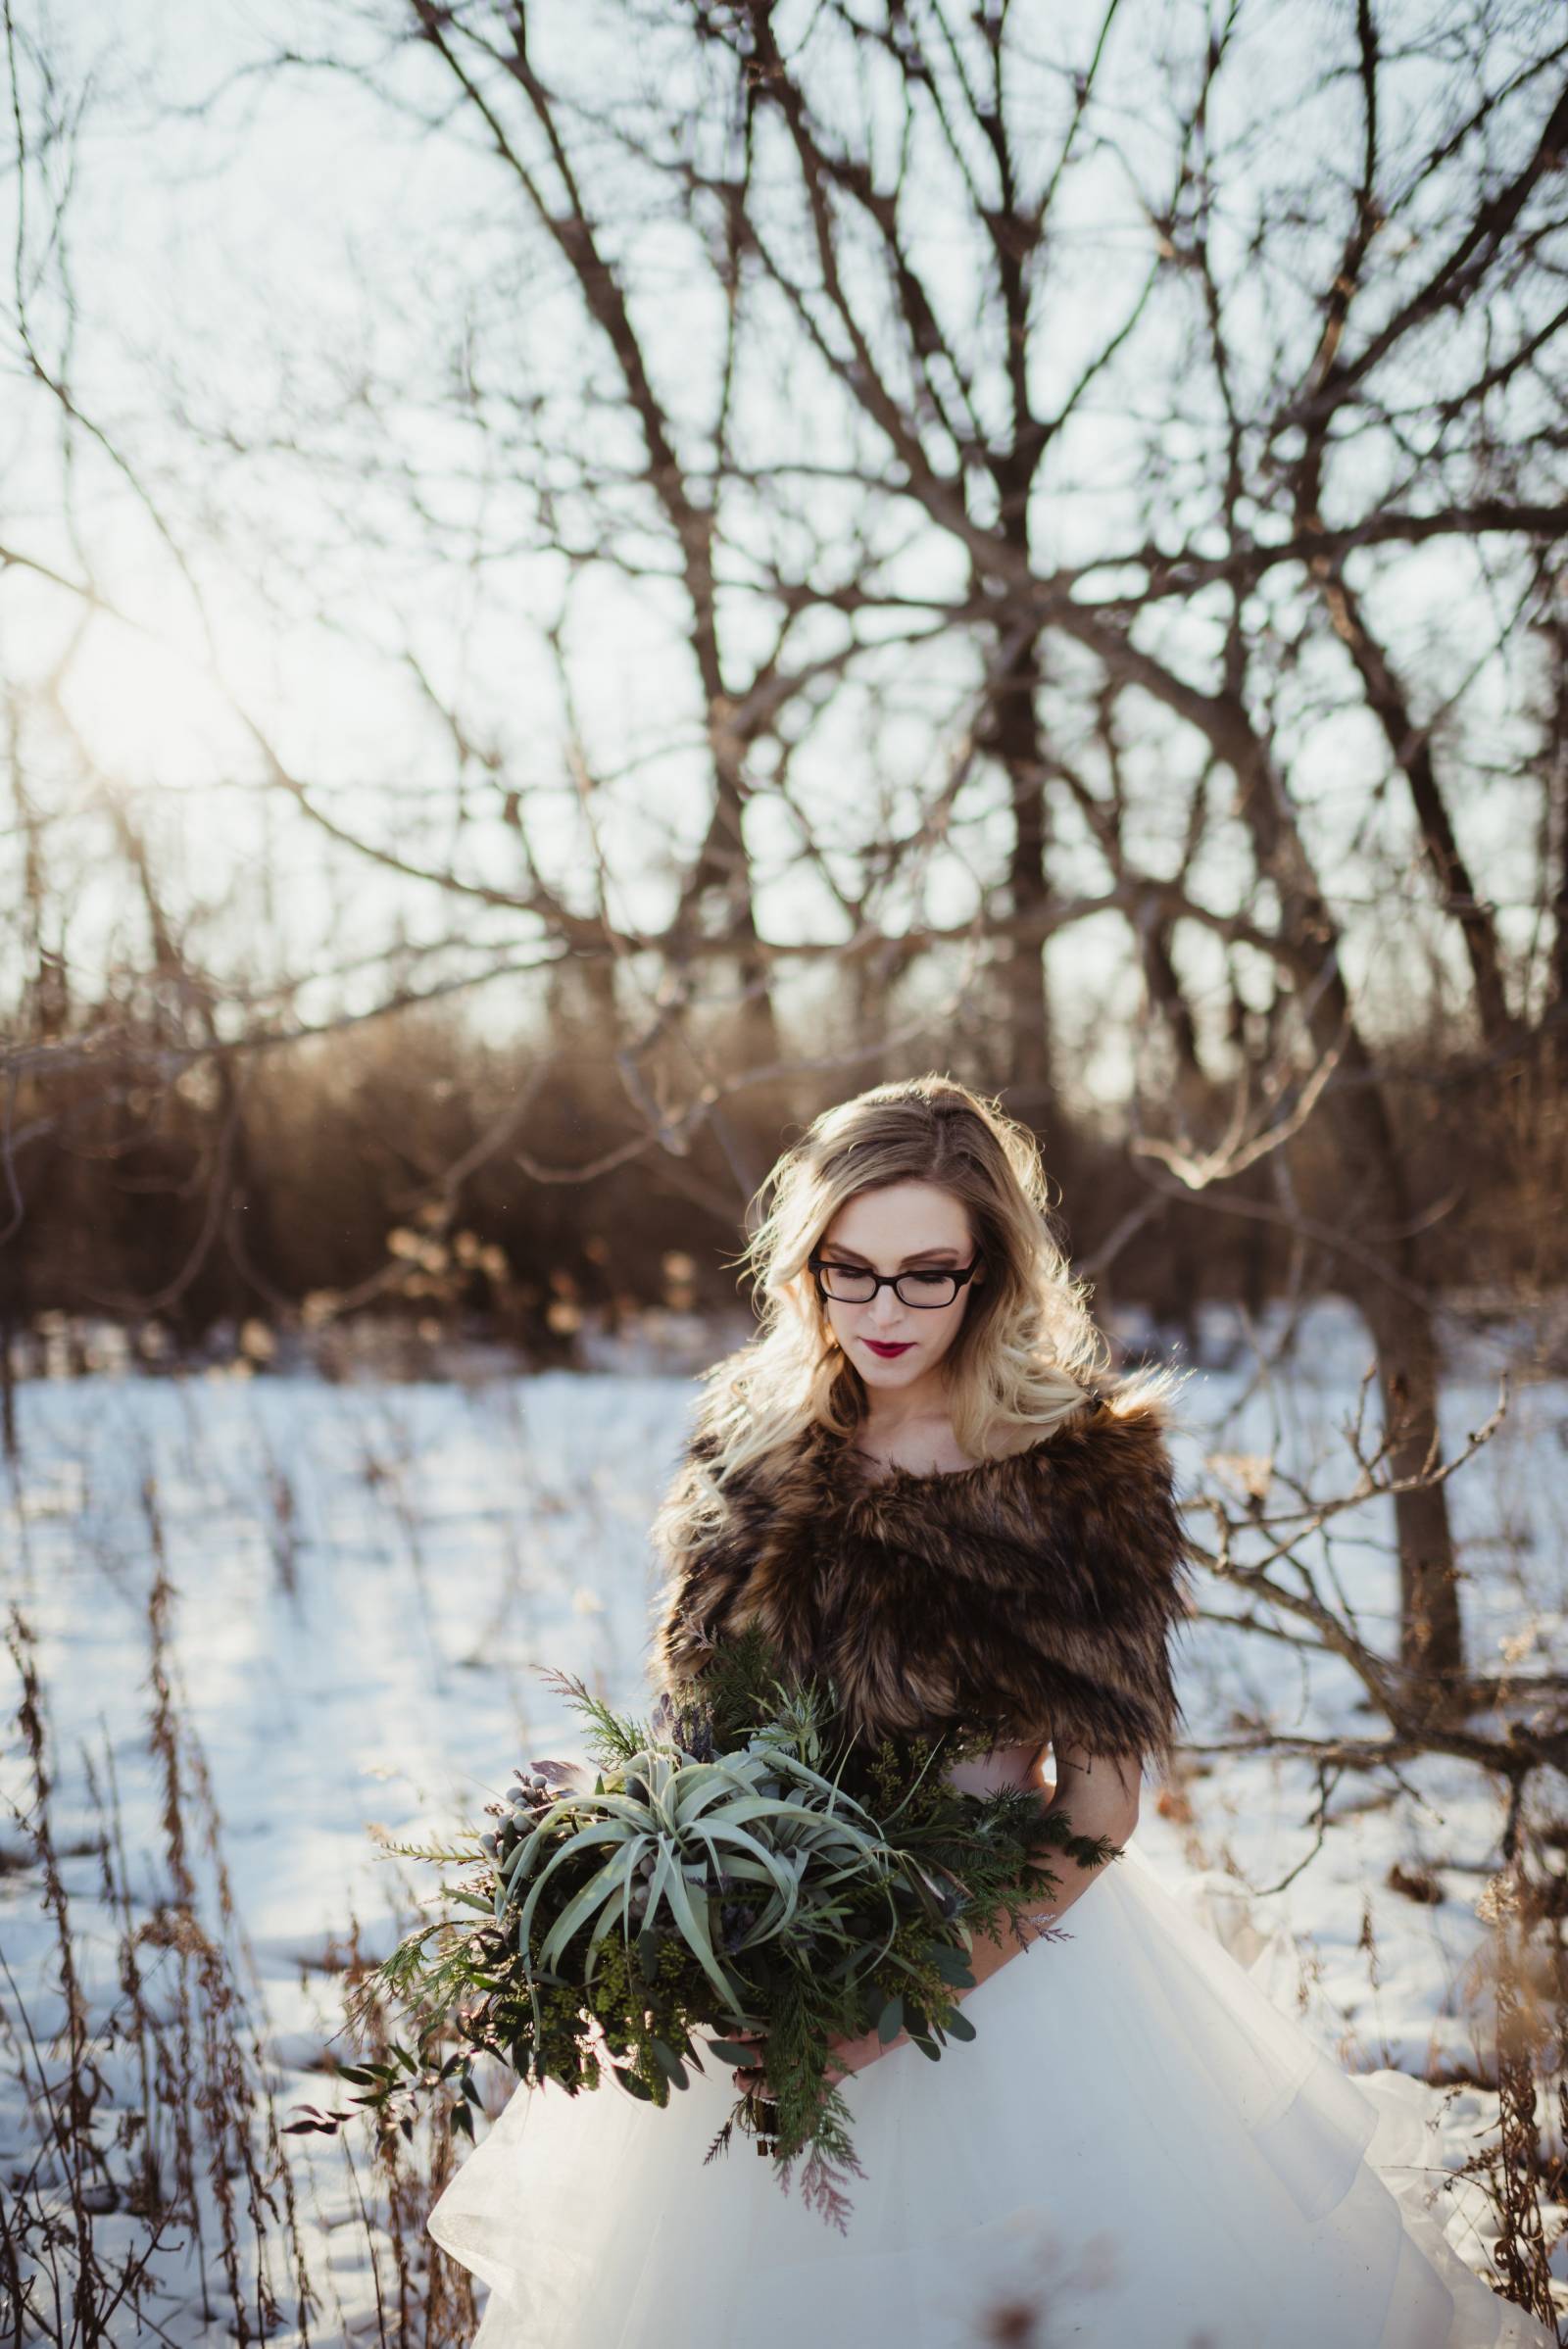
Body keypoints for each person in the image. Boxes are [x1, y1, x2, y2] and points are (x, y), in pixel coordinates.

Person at [425, 1074, 1555, 2347]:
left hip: (995, 1986)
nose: (884, 1309)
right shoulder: (748, 1450)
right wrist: (632, 1881)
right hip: (757, 1993)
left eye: (926, 1272)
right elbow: (700, 1731)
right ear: (805, 1266)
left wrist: (890, 2010)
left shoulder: (1078, 1474)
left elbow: (1101, 1800)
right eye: (850, 1269)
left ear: (991, 1273)